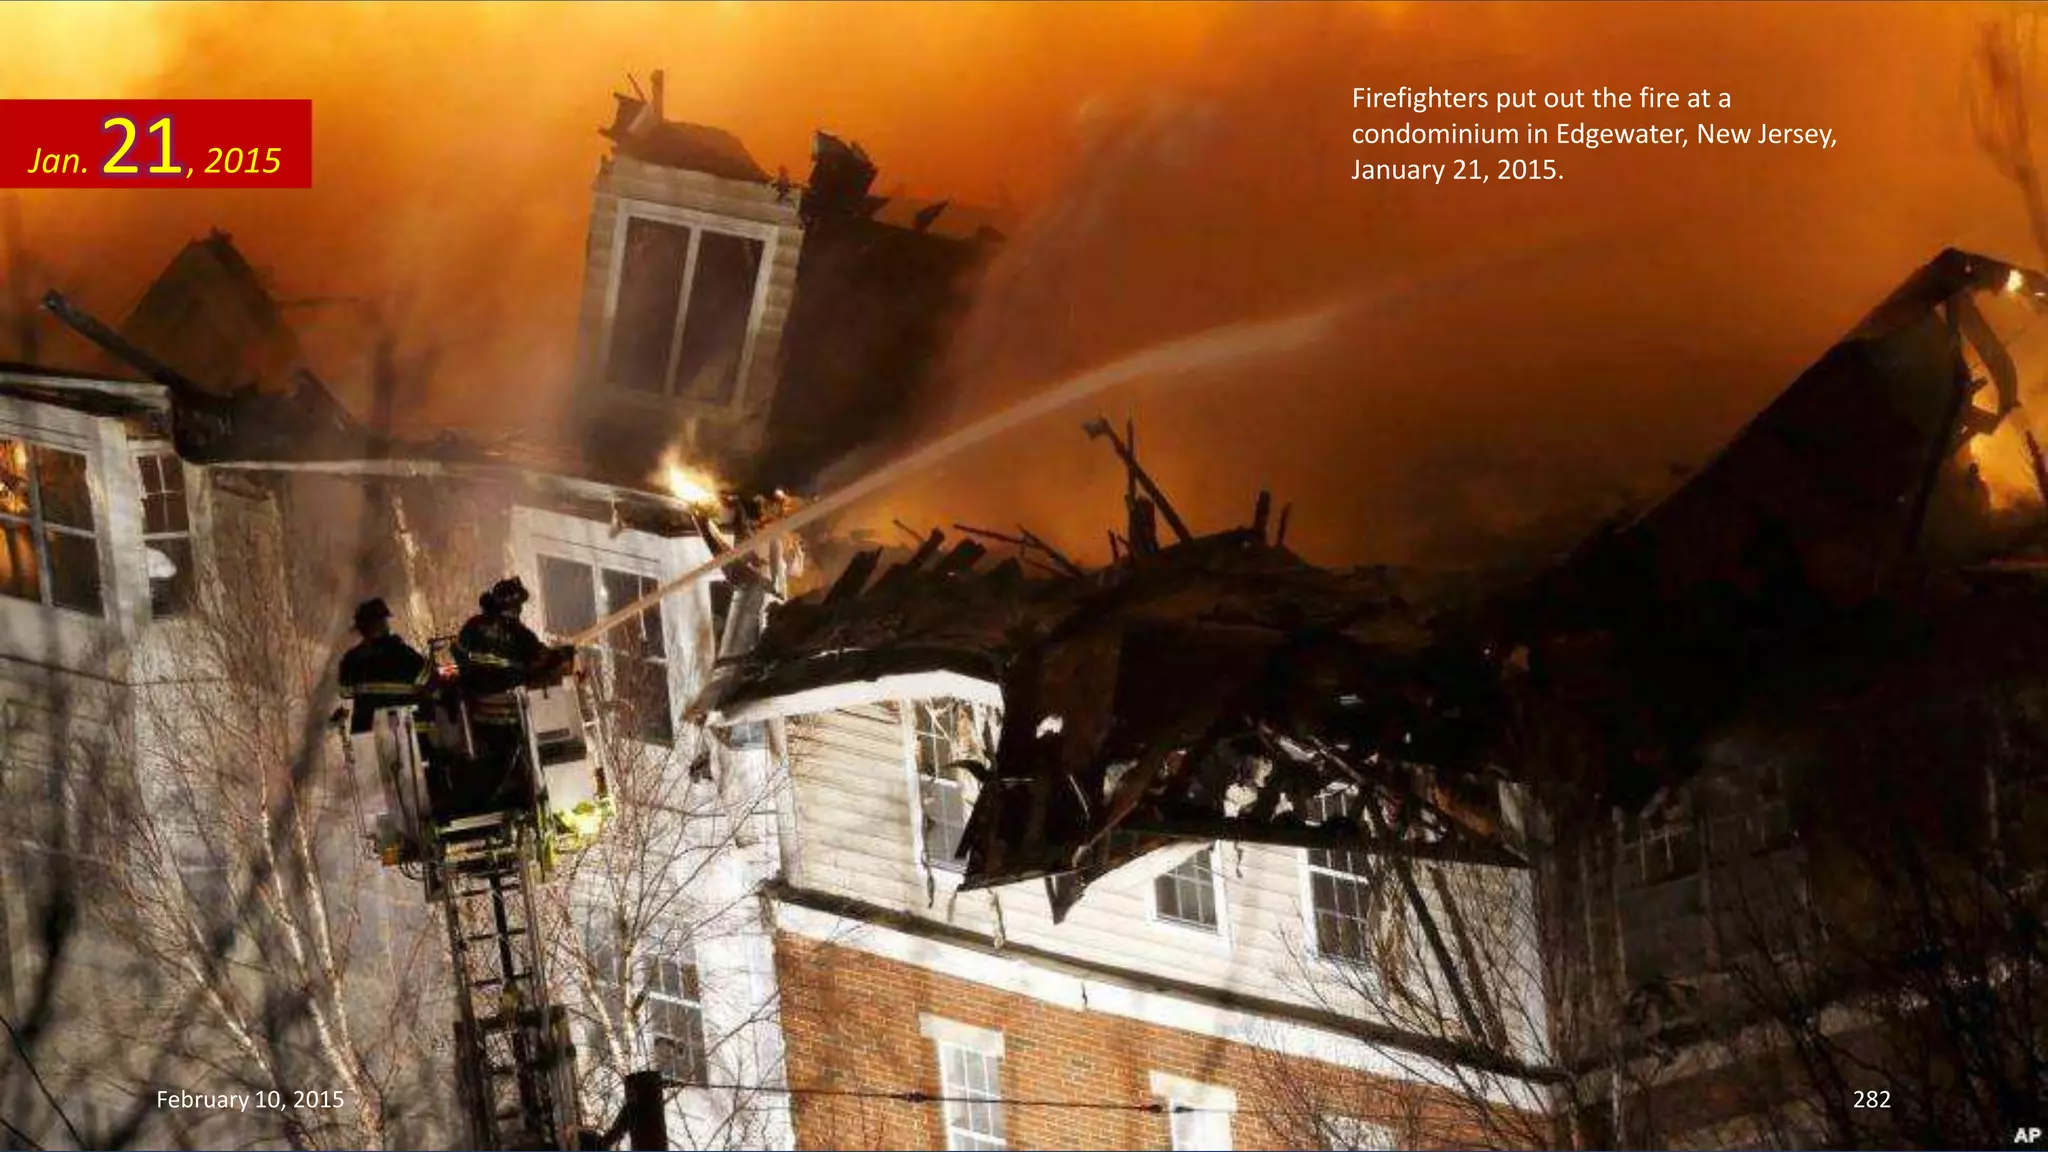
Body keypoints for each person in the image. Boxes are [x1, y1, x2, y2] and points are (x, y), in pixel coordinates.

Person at [451, 577, 566, 812]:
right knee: (512, 755)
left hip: (474, 712)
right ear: (514, 606)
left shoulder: (473, 625)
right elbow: (540, 660)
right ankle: (490, 800)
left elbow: (458, 653)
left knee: (490, 756)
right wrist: (561, 655)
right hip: (505, 714)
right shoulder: (519, 634)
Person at [337, 598, 428, 733]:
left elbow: (345, 692)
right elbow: (427, 679)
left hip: (366, 730)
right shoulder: (404, 653)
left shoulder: (352, 658)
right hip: (404, 727)